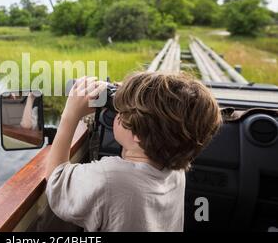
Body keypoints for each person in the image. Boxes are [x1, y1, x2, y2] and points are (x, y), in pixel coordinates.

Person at [45, 72, 222, 231]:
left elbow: (56, 179)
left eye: (121, 111)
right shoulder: (174, 168)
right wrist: (131, 94)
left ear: (137, 133)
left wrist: (71, 114)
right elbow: (139, 151)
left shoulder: (111, 178)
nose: (117, 114)